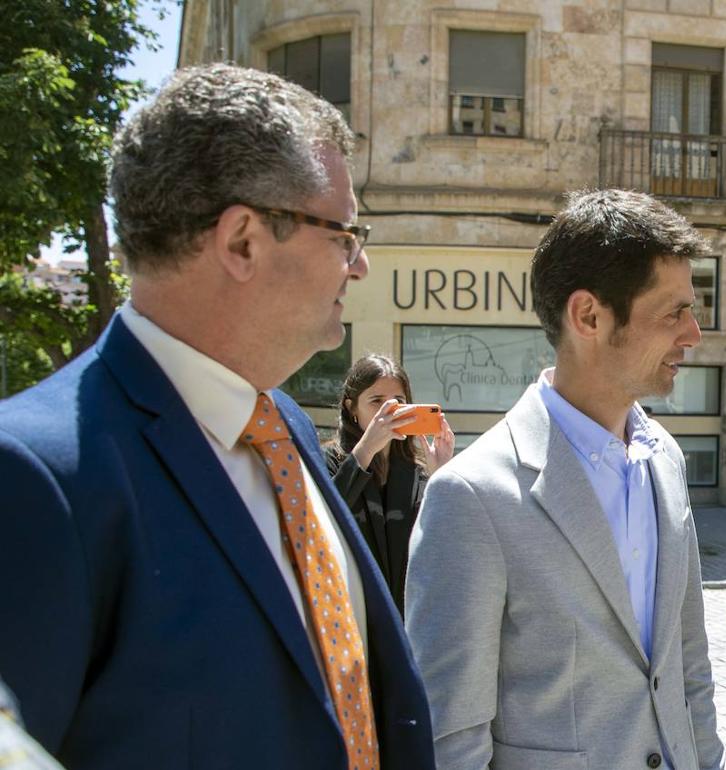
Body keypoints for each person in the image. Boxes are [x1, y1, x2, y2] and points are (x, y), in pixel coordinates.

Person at [0, 64, 434, 769]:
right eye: (345, 233)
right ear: (242, 243)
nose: (358, 266)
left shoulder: (283, 425)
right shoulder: (35, 475)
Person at [405, 188, 725, 769]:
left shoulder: (666, 460)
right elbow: (449, 734)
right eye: (673, 311)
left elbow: (688, 663)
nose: (693, 334)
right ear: (589, 316)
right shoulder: (472, 497)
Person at [325, 354, 455, 611]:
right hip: (350, 613)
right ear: (351, 408)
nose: (390, 411)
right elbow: (325, 519)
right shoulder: (330, 460)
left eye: (398, 402)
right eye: (377, 402)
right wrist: (365, 451)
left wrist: (440, 476)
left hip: (406, 618)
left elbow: (442, 545)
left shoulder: (418, 470)